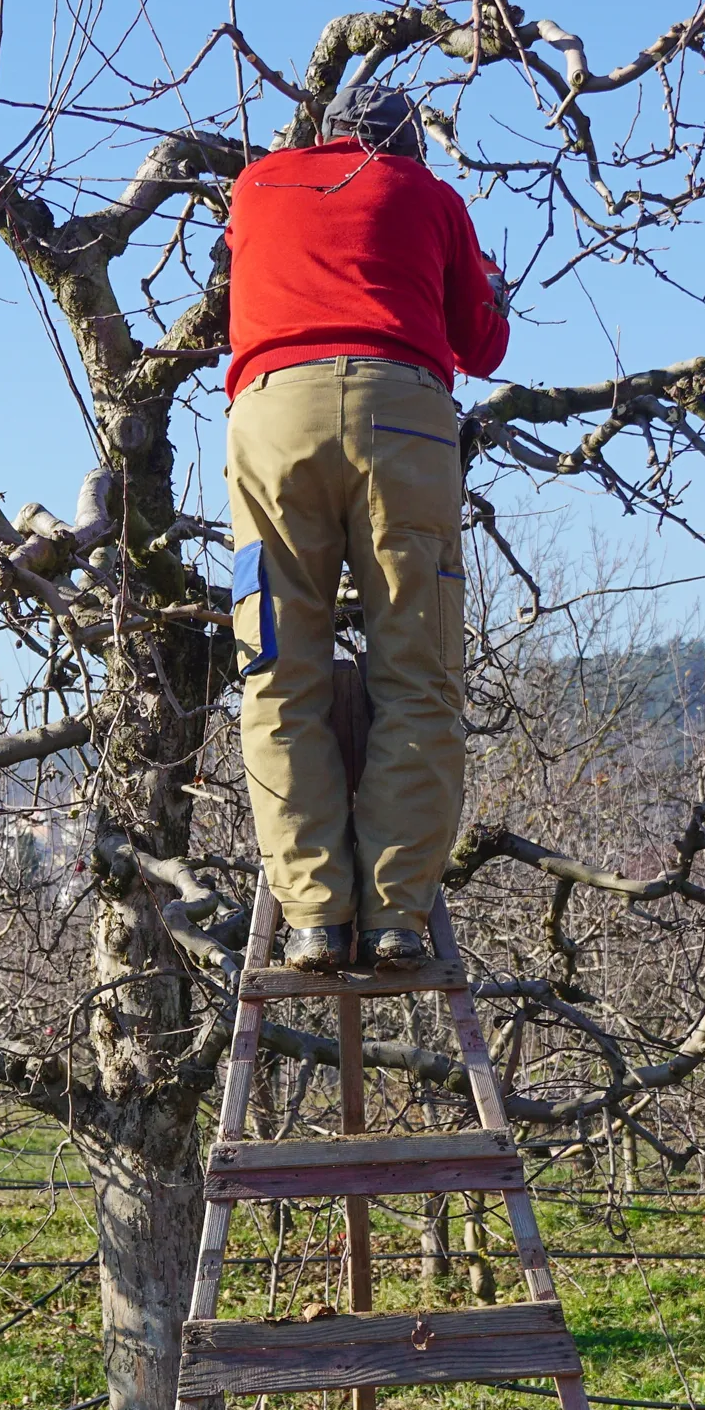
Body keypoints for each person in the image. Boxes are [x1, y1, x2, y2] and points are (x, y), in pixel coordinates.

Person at [223, 82, 509, 973]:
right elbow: (485, 346)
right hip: (403, 413)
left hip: (271, 421)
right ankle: (393, 916)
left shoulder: (255, 186)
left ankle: (311, 915)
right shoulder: (431, 197)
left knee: (276, 667)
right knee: (416, 671)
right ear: (409, 146)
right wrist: (488, 282)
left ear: (321, 134)